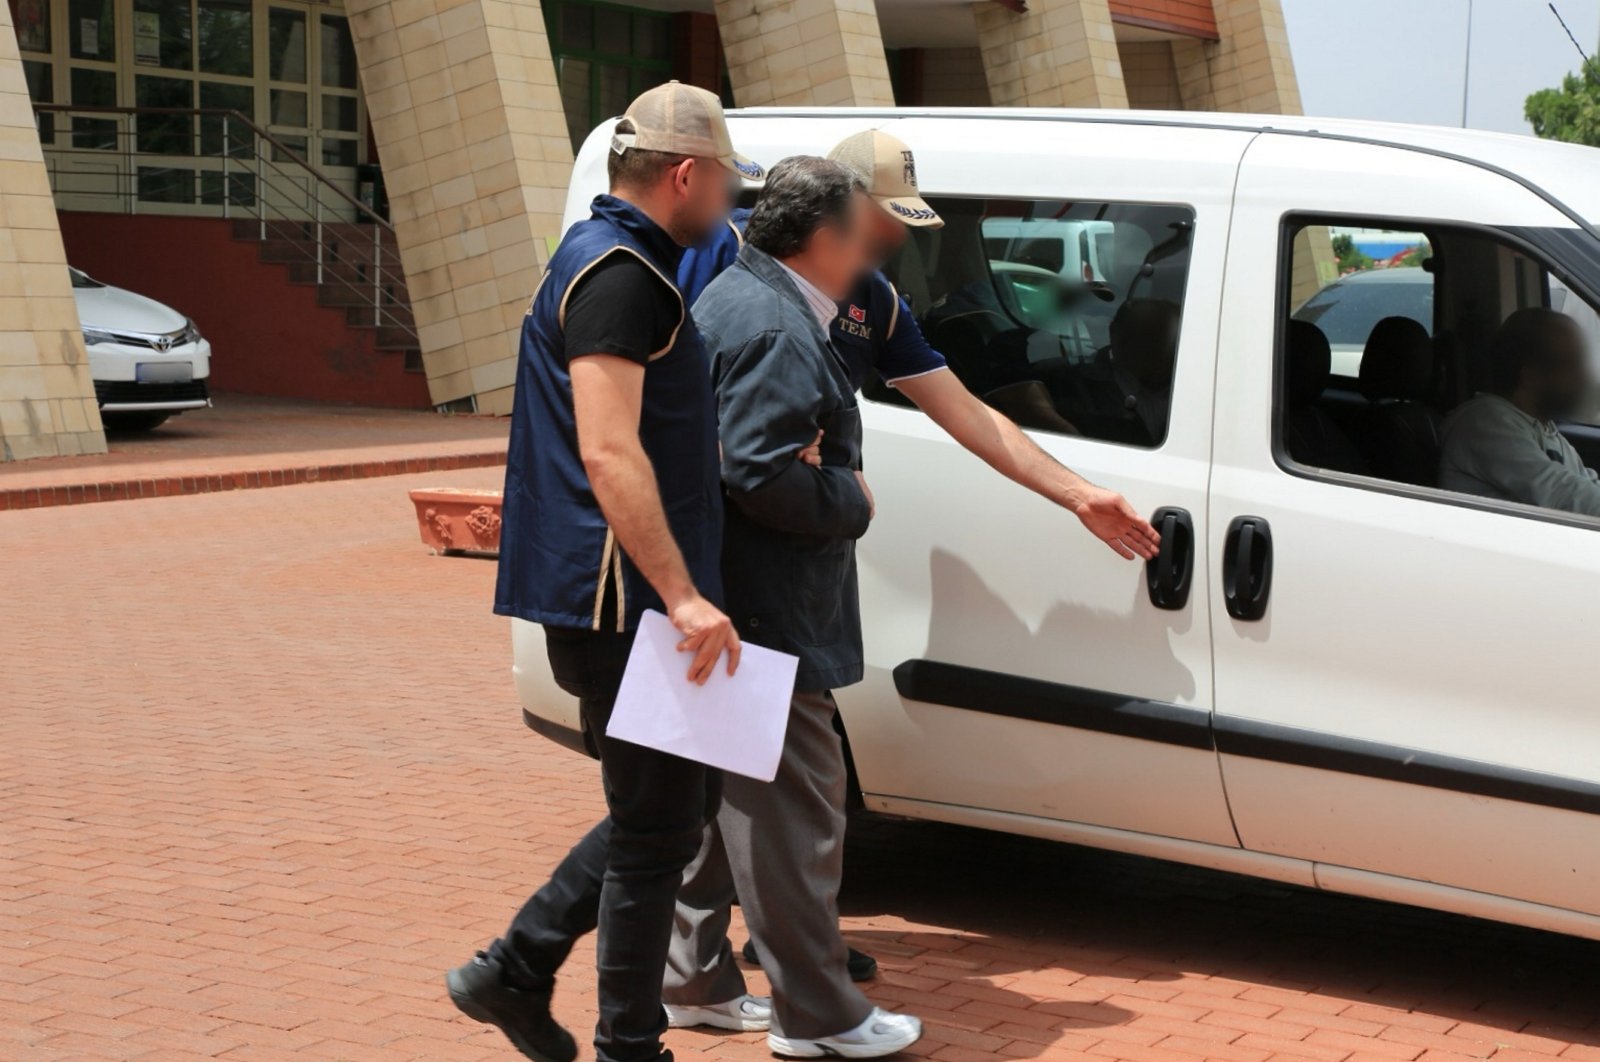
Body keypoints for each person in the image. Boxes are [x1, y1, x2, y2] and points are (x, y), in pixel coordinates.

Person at [445, 82, 758, 1062]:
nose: (730, 201)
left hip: (617, 595)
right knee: (658, 830)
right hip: (620, 599)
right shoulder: (623, 273)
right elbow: (609, 451)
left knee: (670, 812)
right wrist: (684, 596)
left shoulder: (616, 258)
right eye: (723, 183)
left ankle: (514, 968)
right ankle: (626, 1045)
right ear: (684, 175)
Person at [662, 156, 926, 1059]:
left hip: (726, 604)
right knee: (794, 822)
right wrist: (851, 493)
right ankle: (819, 1017)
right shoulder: (777, 325)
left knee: (709, 810)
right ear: (823, 240)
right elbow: (762, 470)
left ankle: (691, 981)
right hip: (767, 614)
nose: (872, 257)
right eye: (863, 236)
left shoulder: (740, 298)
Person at [681, 129, 1161, 561]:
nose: (897, 234)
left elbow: (966, 412)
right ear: (836, 201)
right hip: (707, 523)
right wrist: (740, 449)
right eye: (885, 215)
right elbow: (642, 387)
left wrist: (1078, 495)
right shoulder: (727, 253)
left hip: (799, 538)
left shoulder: (874, 297)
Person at [1439, 307, 1600, 515]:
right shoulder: (1485, 422)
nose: (1583, 377)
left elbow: (1586, 483)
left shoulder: (1544, 428)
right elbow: (1561, 492)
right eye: (1571, 365)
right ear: (1531, 376)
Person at [1059, 298, 1182, 447]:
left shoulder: (1196, 387)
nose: (1146, 347)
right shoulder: (1080, 390)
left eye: (1158, 336)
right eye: (1138, 334)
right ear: (1114, 335)